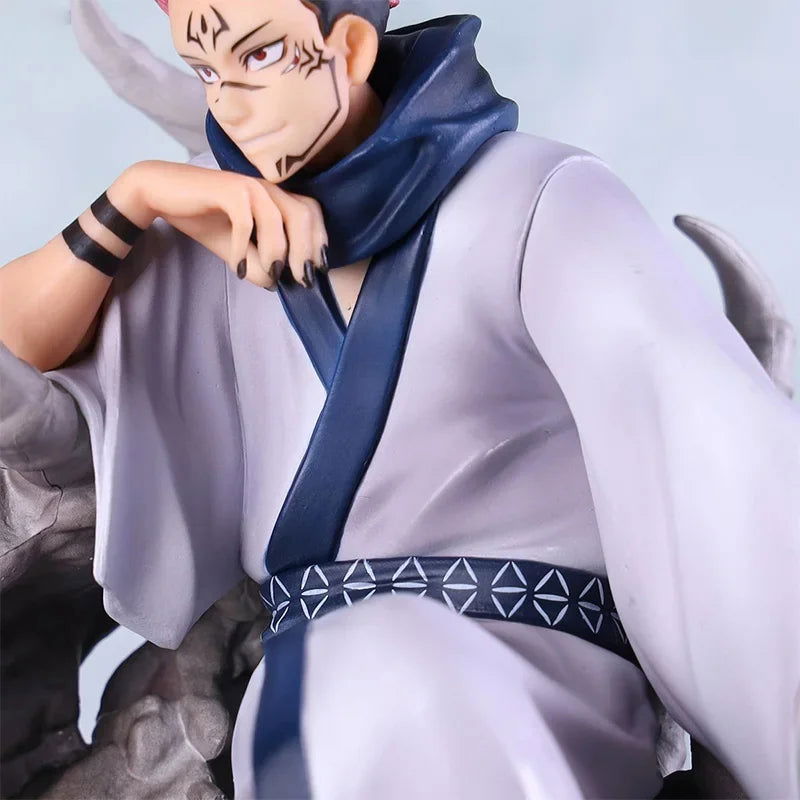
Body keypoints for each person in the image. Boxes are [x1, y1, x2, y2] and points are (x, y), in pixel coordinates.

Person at [1, 0, 798, 797]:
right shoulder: (219, 239)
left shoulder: (537, 198)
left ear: (349, 46)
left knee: (389, 683)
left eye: (260, 56)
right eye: (206, 69)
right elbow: (15, 352)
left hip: (566, 684)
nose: (228, 104)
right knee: (370, 680)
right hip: (320, 689)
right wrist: (132, 198)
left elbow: (706, 456)